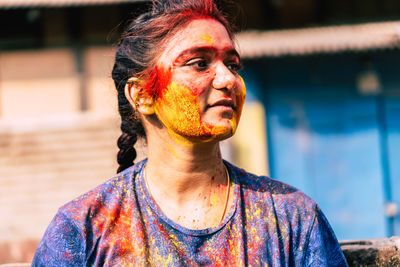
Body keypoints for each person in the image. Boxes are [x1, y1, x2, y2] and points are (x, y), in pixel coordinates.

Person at [32, 0, 348, 266]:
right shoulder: (83, 229)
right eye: (199, 64)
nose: (228, 79)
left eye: (233, 65)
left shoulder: (291, 218)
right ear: (142, 95)